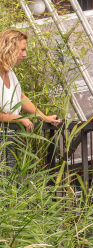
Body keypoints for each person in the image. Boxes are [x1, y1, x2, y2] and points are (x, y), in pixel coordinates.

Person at [0, 29, 60, 172]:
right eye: (22, 50)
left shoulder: (10, 73)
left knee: (11, 185)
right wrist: (18, 118)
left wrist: (43, 117)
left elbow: (21, 97)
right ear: (10, 48)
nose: (25, 54)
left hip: (8, 139)